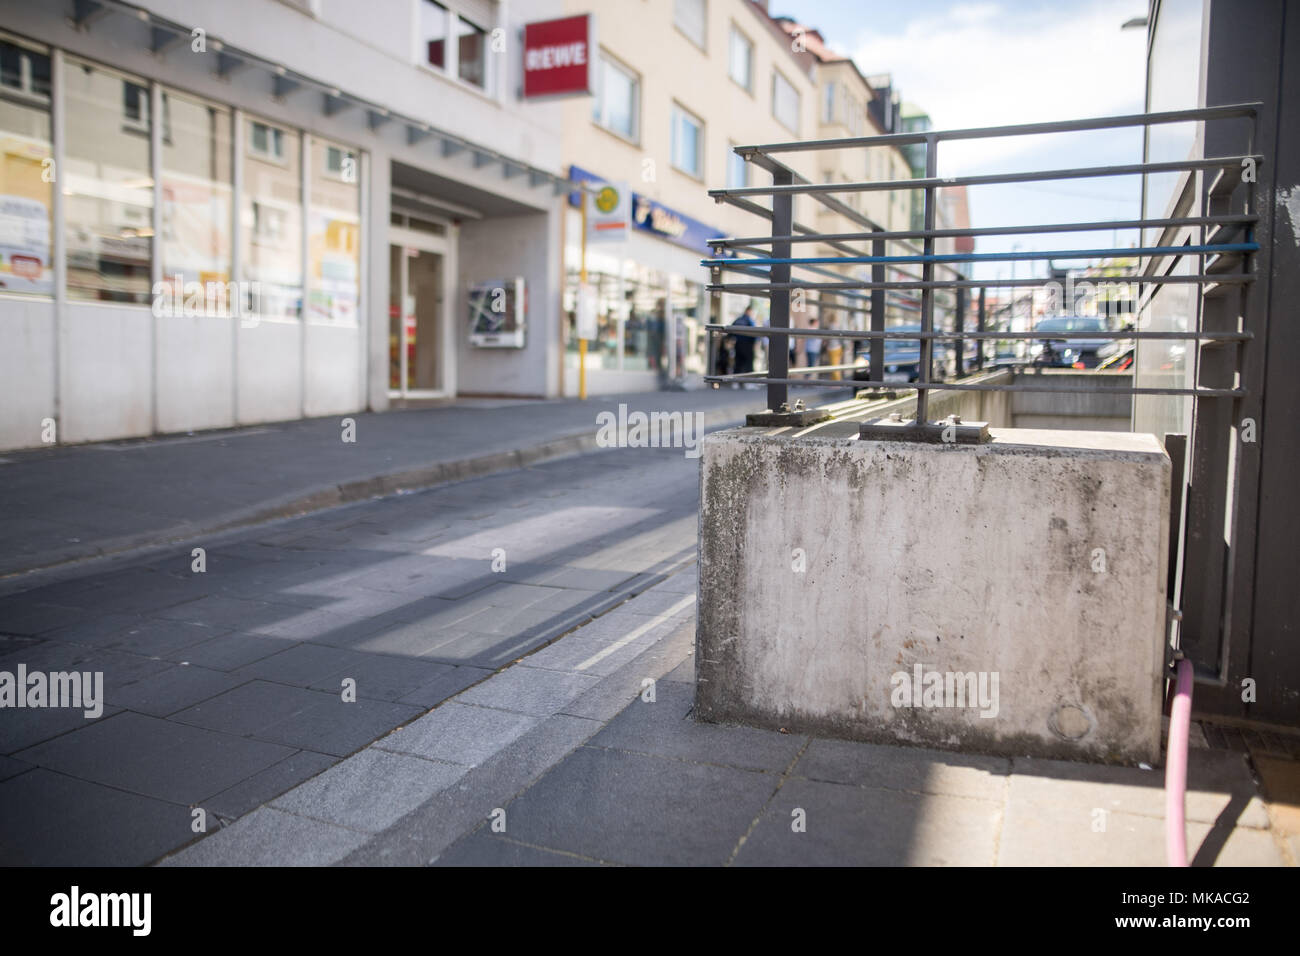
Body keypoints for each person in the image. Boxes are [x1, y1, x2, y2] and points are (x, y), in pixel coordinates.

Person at [730, 305, 758, 380]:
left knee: (738, 363)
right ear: (749, 311)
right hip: (747, 345)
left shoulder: (738, 319)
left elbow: (730, 331)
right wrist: (755, 344)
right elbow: (755, 333)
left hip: (738, 344)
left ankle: (735, 381)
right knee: (748, 363)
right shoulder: (749, 320)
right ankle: (749, 381)